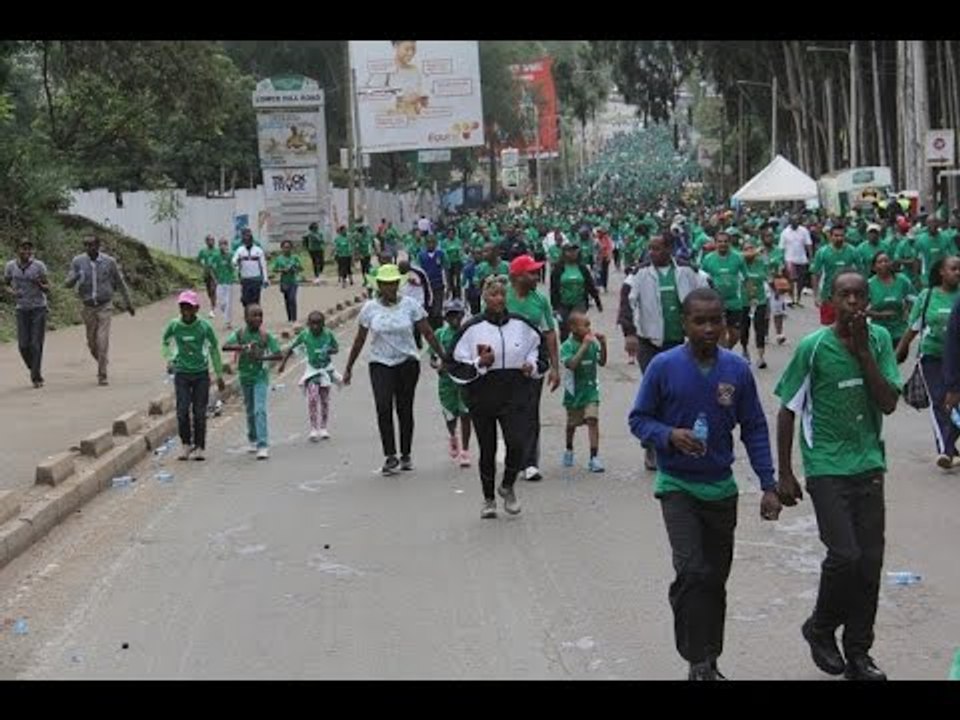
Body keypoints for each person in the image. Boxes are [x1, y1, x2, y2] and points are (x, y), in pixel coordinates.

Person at [629, 287, 781, 681]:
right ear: (685, 323)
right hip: (677, 485)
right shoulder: (663, 367)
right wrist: (668, 435)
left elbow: (754, 428)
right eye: (700, 321)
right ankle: (698, 663)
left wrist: (769, 484)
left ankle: (710, 655)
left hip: (720, 488)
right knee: (693, 572)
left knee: (714, 580)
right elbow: (639, 419)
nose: (710, 328)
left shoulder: (736, 370)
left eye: (717, 320)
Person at [776, 270, 900, 682]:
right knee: (845, 555)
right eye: (844, 295)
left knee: (869, 564)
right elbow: (787, 409)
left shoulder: (879, 340)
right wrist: (785, 473)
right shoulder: (813, 347)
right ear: (831, 300)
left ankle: (859, 655)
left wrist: (865, 353)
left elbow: (888, 403)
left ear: (866, 300)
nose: (852, 302)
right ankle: (820, 627)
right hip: (826, 465)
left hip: (869, 464)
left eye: (858, 295)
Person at [447, 277, 547, 519]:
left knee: (517, 443)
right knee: (488, 448)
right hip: (483, 396)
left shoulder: (522, 325)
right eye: (493, 295)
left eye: (502, 294)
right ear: (484, 298)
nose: (499, 299)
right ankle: (489, 499)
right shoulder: (472, 328)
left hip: (514, 394)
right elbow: (453, 363)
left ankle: (508, 485)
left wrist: (532, 366)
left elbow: (540, 351)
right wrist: (479, 363)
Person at [343, 264, 445, 476]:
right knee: (383, 406)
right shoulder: (370, 308)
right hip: (380, 363)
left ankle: (405, 453)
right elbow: (360, 339)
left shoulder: (411, 305)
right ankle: (390, 455)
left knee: (404, 408)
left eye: (393, 284)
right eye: (385, 284)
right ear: (379, 285)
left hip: (407, 362)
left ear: (398, 284)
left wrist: (444, 356)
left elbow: (426, 332)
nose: (389, 288)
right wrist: (349, 367)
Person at [620, 234, 708, 469]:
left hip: (680, 343)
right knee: (654, 395)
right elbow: (626, 299)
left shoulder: (687, 271)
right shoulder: (640, 273)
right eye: (650, 248)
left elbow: (708, 291)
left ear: (670, 249)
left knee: (682, 393)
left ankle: (685, 442)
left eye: (657, 248)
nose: (652, 253)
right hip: (650, 344)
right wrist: (629, 332)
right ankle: (651, 447)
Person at [896, 257, 960, 468]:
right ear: (941, 272)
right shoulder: (928, 295)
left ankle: (950, 442)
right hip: (931, 356)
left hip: (956, 358)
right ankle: (946, 451)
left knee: (956, 402)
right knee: (940, 400)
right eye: (953, 268)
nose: (957, 272)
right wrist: (902, 349)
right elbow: (915, 326)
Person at [507, 254, 561, 482]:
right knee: (510, 413)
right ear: (517, 277)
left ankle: (530, 462)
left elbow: (549, 333)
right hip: (506, 363)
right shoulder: (502, 296)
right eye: (530, 272)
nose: (536, 275)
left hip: (533, 362)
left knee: (530, 410)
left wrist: (555, 368)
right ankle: (515, 458)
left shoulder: (540, 300)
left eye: (536, 271)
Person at [162, 290, 226, 461]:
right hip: (182, 373)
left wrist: (219, 374)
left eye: (189, 307)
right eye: (182, 307)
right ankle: (185, 444)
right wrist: (169, 359)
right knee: (182, 411)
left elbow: (214, 348)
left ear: (196, 308)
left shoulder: (204, 327)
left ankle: (200, 446)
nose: (186, 311)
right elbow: (165, 340)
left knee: (199, 412)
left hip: (200, 374)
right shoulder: (175, 325)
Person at [64, 234, 135, 386]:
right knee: (92, 343)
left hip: (105, 306)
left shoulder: (109, 262)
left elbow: (120, 282)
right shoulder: (78, 261)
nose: (89, 248)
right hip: (88, 306)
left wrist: (128, 303)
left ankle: (102, 374)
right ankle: (102, 359)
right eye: (86, 245)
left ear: (98, 246)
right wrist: (76, 277)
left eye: (92, 245)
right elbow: (67, 284)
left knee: (102, 340)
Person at [222, 304, 283, 460]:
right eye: (254, 315)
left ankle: (263, 445)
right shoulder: (241, 334)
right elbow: (225, 346)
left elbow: (278, 355)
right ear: (246, 318)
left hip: (260, 377)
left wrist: (262, 357)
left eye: (260, 315)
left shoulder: (265, 336)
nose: (258, 319)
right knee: (250, 410)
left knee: (259, 409)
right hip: (245, 377)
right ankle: (253, 438)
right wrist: (243, 347)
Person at [278, 310, 339, 441]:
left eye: (318, 324)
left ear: (323, 324)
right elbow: (292, 348)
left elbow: (336, 348)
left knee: (324, 400)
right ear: (308, 324)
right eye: (313, 324)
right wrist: (283, 364)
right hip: (312, 371)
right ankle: (313, 428)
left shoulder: (328, 334)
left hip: (325, 370)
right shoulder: (305, 335)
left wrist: (330, 350)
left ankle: (323, 427)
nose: (315, 327)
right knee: (312, 398)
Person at [561, 311, 607, 472]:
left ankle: (594, 457)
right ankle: (569, 448)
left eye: (589, 325)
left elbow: (601, 362)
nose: (589, 329)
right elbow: (571, 364)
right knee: (572, 424)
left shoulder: (593, 344)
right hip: (574, 393)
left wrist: (603, 344)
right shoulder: (567, 346)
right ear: (573, 328)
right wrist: (584, 346)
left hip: (590, 391)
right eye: (585, 325)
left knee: (592, 420)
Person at [429, 299, 472, 467]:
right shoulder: (440, 334)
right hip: (446, 382)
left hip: (464, 379)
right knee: (450, 414)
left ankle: (465, 451)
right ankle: (453, 435)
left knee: (466, 414)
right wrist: (437, 365)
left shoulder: (467, 333)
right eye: (450, 316)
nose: (454, 319)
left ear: (462, 315)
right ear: (445, 318)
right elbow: (432, 357)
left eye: (457, 315)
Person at [4, 239, 50, 388]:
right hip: (21, 309)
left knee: (35, 344)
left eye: (29, 249)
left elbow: (48, 287)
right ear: (17, 250)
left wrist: (40, 284)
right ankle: (34, 367)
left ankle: (36, 377)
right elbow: (6, 284)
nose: (26, 252)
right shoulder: (10, 266)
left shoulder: (39, 266)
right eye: (23, 249)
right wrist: (12, 292)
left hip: (38, 308)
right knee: (23, 345)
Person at [699, 232, 746, 349]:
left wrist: (750, 296)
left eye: (725, 241)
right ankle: (722, 356)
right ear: (715, 243)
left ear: (729, 243)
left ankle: (726, 351)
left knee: (735, 334)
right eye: (720, 241)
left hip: (735, 302)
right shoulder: (708, 259)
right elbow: (701, 278)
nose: (723, 244)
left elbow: (746, 278)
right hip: (716, 302)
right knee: (721, 331)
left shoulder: (738, 257)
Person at [550, 238, 602, 342]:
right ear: (564, 253)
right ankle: (565, 349)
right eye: (569, 251)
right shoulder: (558, 269)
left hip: (579, 303)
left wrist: (598, 302)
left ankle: (580, 350)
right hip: (563, 303)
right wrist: (555, 307)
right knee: (564, 328)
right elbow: (553, 289)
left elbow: (590, 285)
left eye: (574, 251)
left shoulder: (582, 268)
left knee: (578, 327)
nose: (572, 253)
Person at [811, 225, 860, 326]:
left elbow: (860, 273)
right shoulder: (822, 252)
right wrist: (816, 295)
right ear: (830, 236)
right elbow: (816, 273)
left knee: (847, 325)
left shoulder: (853, 251)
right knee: (827, 326)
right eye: (836, 235)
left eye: (841, 235)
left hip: (847, 296)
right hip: (828, 295)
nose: (839, 238)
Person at [866, 252, 914, 350]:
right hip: (879, 330)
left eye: (886, 261)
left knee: (897, 359)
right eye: (880, 262)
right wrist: (880, 315)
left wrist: (908, 311)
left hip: (899, 330)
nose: (884, 264)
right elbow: (861, 310)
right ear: (874, 267)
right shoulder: (869, 284)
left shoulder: (902, 280)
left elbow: (913, 299)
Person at [739, 240, 770, 369]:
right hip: (743, 300)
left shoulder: (761, 262)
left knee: (760, 328)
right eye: (746, 249)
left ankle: (761, 357)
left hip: (759, 300)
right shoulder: (740, 262)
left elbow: (766, 276)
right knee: (743, 328)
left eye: (751, 248)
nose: (749, 251)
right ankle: (745, 351)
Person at [232, 228, 269, 309]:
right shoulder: (240, 250)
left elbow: (263, 265)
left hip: (256, 279)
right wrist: (237, 267)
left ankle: (255, 317)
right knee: (245, 300)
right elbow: (234, 261)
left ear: (252, 239)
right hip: (245, 279)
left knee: (255, 300)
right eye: (245, 239)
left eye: (248, 238)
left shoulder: (258, 250)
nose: (247, 241)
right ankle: (248, 315)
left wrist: (265, 279)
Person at [779, 216, 812, 305]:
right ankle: (792, 298)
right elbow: (781, 248)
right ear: (790, 222)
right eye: (793, 221)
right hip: (789, 259)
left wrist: (810, 258)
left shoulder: (804, 231)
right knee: (791, 280)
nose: (795, 222)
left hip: (802, 259)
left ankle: (798, 298)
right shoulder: (785, 232)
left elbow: (808, 244)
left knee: (801, 280)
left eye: (797, 221)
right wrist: (781, 260)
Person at [271, 239, 303, 323]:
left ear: (291, 248)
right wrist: (282, 270)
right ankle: (289, 318)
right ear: (282, 248)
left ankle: (294, 318)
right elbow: (274, 269)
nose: (286, 249)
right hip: (284, 282)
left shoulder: (295, 257)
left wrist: (295, 268)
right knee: (287, 300)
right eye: (285, 247)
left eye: (288, 247)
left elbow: (301, 268)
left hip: (293, 281)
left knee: (292, 299)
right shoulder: (279, 259)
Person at [418, 235, 446, 328]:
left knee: (438, 307)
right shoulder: (421, 255)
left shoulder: (440, 254)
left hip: (438, 284)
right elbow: (419, 270)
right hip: (426, 285)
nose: (431, 245)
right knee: (429, 307)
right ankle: (431, 327)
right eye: (428, 243)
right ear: (425, 244)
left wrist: (448, 284)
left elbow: (446, 268)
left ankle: (439, 327)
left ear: (436, 243)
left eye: (433, 242)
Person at [212, 238, 235, 329]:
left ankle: (227, 322)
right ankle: (225, 314)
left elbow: (232, 268)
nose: (223, 246)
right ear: (219, 246)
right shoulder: (216, 256)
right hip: (220, 282)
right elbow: (212, 269)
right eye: (221, 244)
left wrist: (230, 261)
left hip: (228, 281)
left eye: (224, 244)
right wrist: (215, 279)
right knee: (222, 303)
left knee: (228, 302)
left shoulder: (230, 255)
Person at [197, 235, 219, 317]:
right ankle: (213, 301)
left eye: (212, 240)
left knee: (213, 290)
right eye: (209, 240)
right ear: (206, 242)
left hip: (215, 274)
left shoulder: (217, 251)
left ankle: (213, 308)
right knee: (209, 292)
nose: (211, 242)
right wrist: (202, 266)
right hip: (206, 273)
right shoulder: (203, 251)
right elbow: (198, 260)